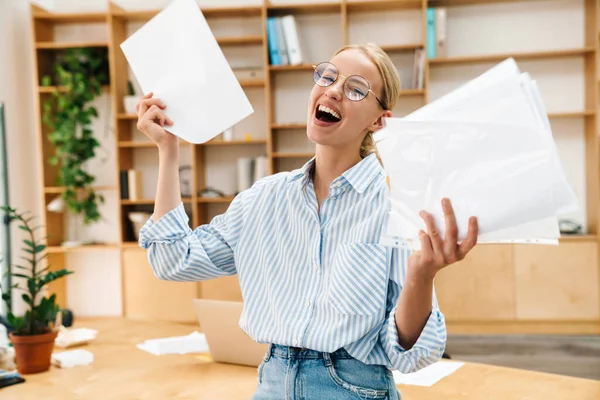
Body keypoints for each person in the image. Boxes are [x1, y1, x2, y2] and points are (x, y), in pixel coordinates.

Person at [135, 43, 479, 400]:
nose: (332, 90)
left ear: (379, 121)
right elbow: (172, 260)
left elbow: (410, 350)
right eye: (329, 76)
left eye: (355, 89)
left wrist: (422, 275)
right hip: (272, 382)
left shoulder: (395, 205)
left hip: (355, 388)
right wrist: (168, 151)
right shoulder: (264, 199)